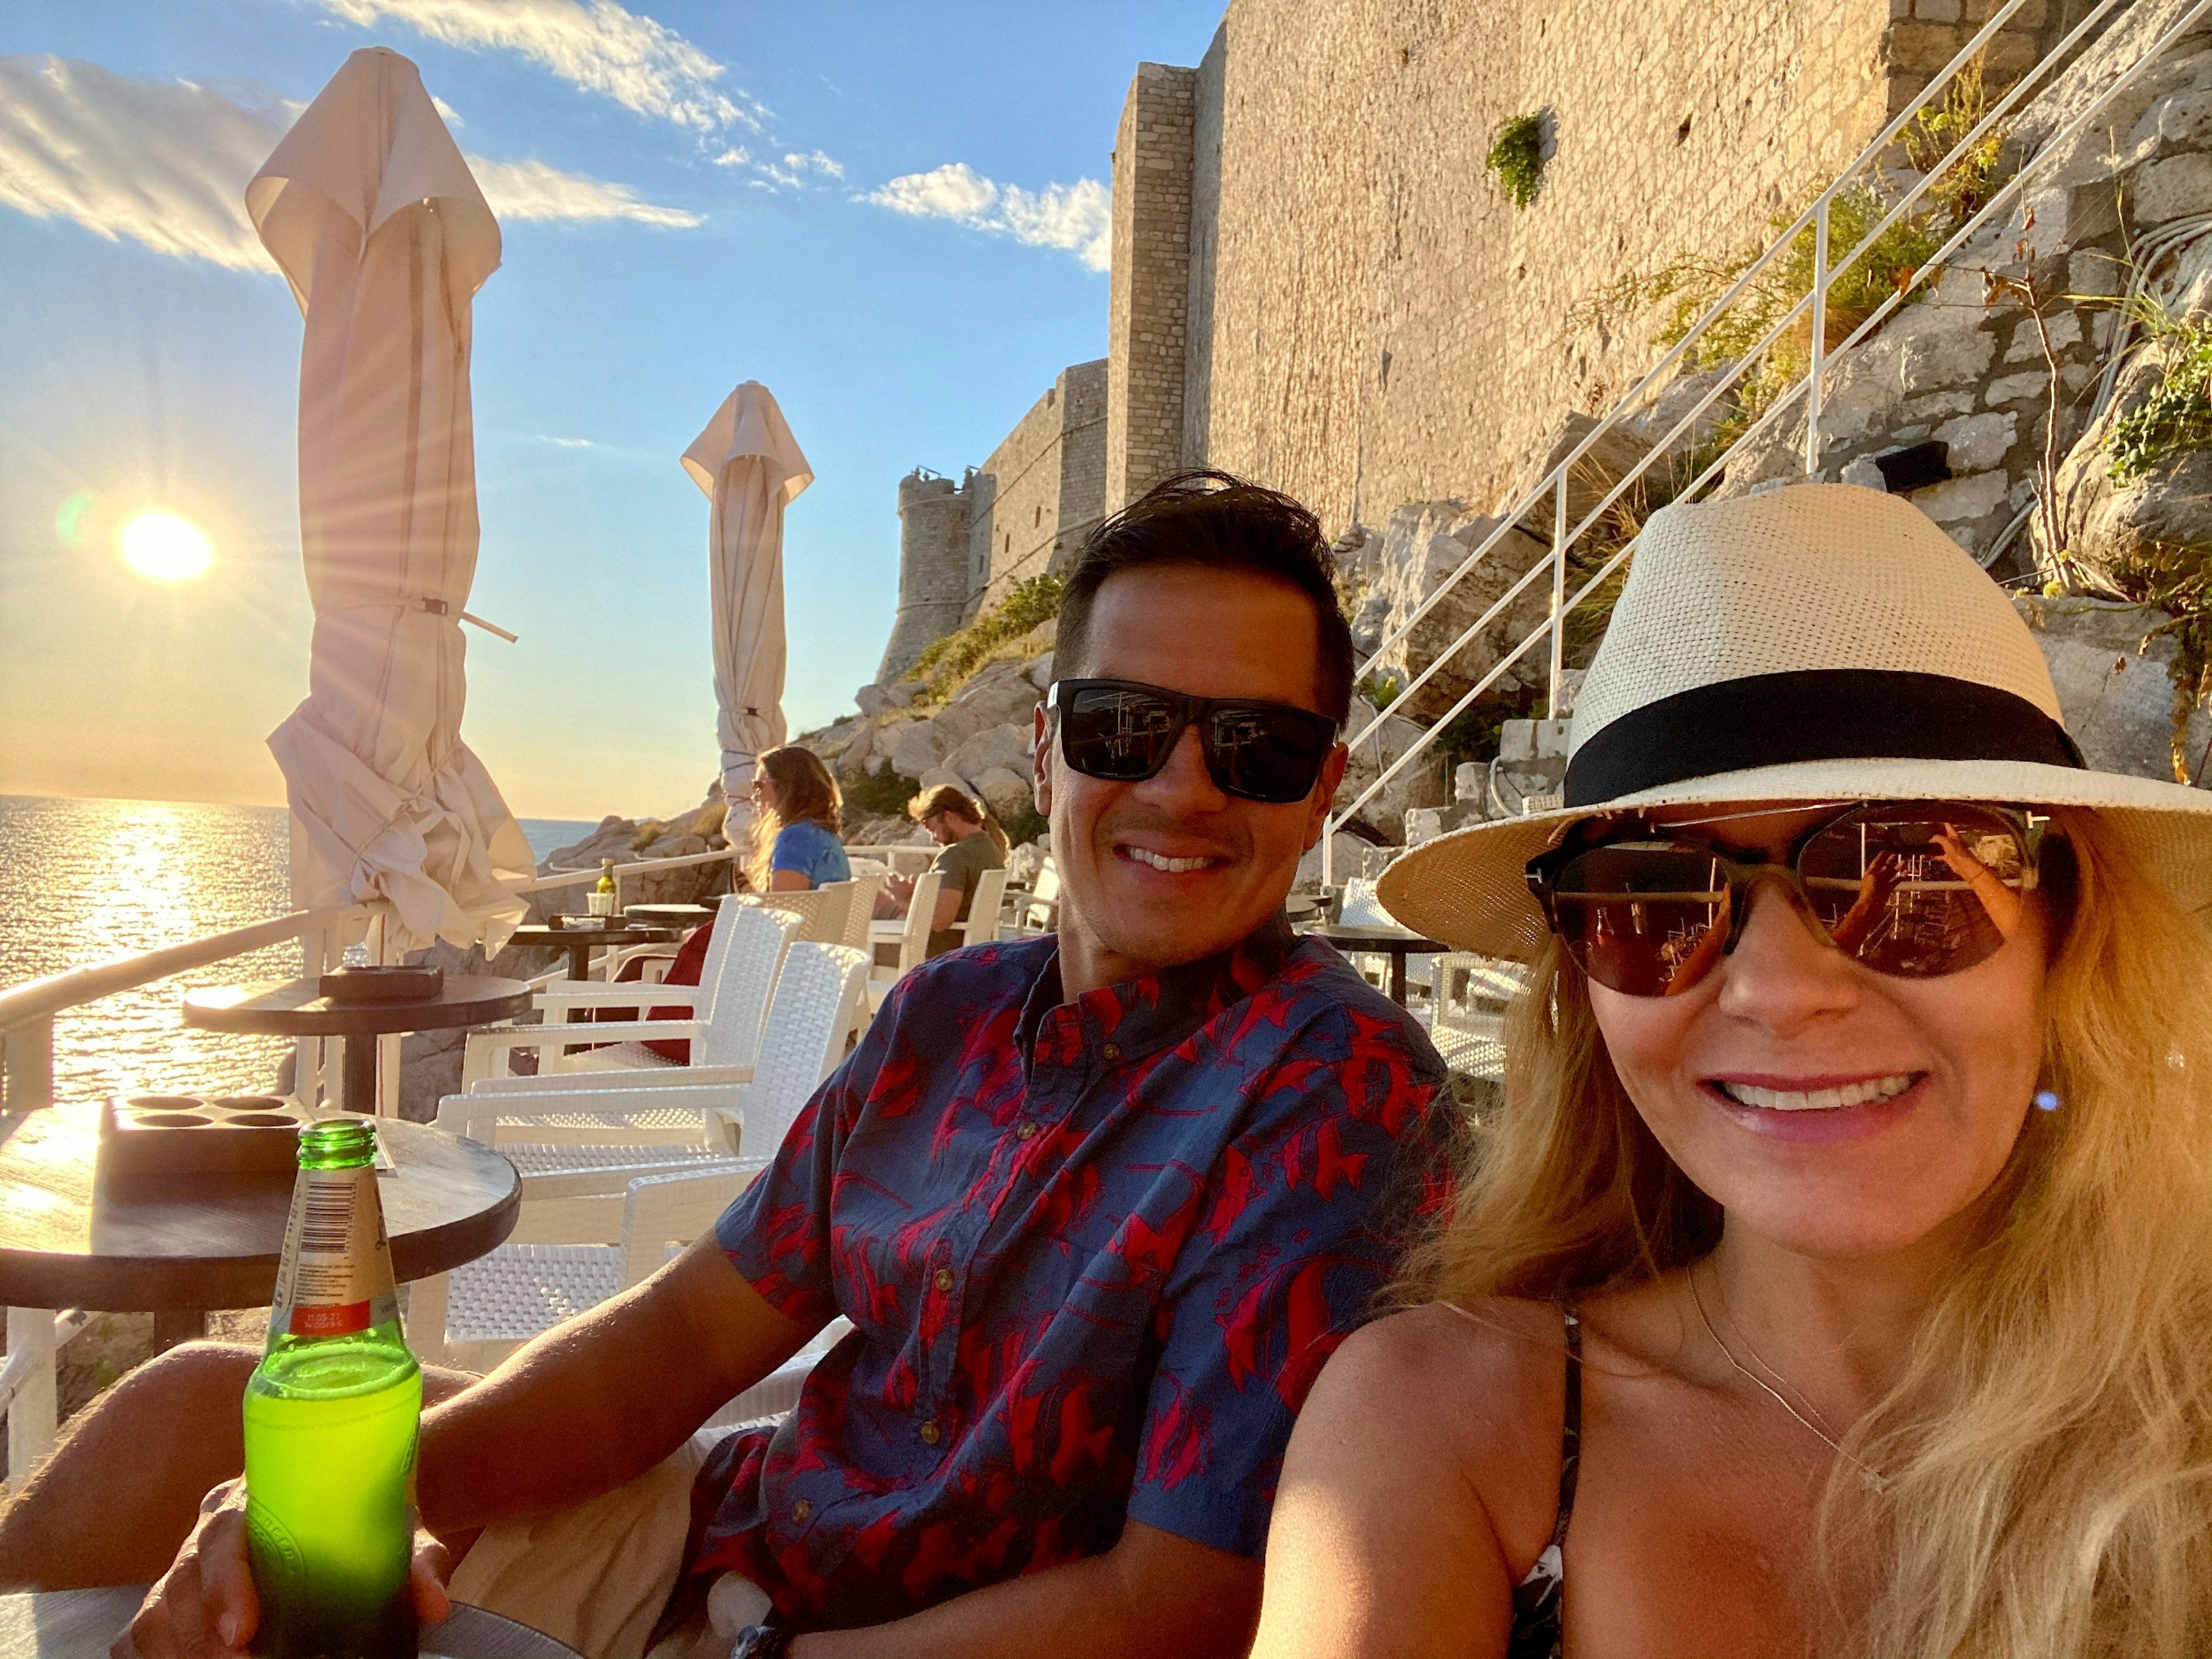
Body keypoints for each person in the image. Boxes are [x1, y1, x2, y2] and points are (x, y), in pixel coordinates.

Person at [4, 471, 1456, 1659]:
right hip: (733, 1531)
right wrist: (368, 1492)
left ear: (1324, 785)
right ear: (1047, 745)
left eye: (1257, 749)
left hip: (868, 1642)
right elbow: (689, 1339)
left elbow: (1179, 1604)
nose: (1183, 787)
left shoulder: (1331, 1093)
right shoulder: (944, 1017)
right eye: (1123, 728)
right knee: (200, 1414)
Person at [1247, 483, 2212, 1658]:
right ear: (1580, 988)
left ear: (2065, 933)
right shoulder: (1440, 1427)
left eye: (1905, 873)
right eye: (1650, 897)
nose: (1776, 991)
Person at [880, 784, 1010, 955]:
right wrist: (919, 893)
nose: (933, 838)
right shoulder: (992, 848)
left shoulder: (955, 855)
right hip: (972, 949)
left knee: (860, 947)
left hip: (937, 954)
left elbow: (940, 921)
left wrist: (903, 899)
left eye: (931, 829)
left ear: (948, 817)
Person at [751, 745, 850, 892]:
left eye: (758, 786)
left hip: (805, 916)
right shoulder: (825, 836)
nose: (754, 796)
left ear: (785, 786)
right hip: (825, 916)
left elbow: (784, 908)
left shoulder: (794, 838)